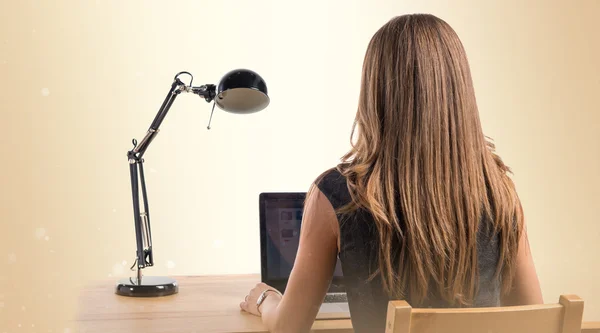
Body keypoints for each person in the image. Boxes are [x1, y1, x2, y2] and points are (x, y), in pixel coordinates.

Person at [240, 13, 543, 333]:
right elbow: (536, 318)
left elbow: (289, 326)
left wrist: (265, 300)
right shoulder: (499, 191)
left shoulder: (338, 194)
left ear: (374, 91)